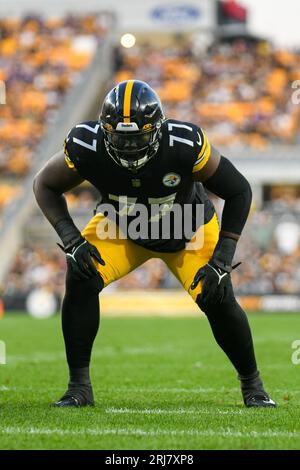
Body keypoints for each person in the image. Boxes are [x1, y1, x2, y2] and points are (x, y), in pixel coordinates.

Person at [33, 80, 276, 408]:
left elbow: (239, 191)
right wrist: (71, 240)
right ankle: (79, 387)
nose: (130, 148)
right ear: (104, 132)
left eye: (139, 138)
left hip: (186, 231)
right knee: (81, 274)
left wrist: (222, 258)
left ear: (159, 130)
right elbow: (44, 184)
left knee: (216, 295)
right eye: (120, 138)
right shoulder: (85, 144)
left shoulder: (183, 143)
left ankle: (253, 385)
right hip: (122, 227)